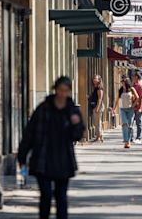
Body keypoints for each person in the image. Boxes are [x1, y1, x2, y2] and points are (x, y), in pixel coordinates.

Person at [18, 76, 84, 219]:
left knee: (61, 198)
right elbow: (30, 132)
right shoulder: (44, 108)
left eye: (66, 91)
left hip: (63, 160)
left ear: (69, 92)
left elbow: (78, 136)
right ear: (55, 90)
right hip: (43, 158)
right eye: (60, 90)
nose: (62, 94)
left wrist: (76, 124)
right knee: (46, 196)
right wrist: (22, 155)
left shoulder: (71, 110)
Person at [112, 77, 139, 148]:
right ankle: (126, 141)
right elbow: (117, 99)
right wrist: (114, 109)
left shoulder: (131, 89)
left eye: (123, 82)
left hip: (130, 109)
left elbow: (137, 97)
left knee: (129, 125)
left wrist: (133, 105)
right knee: (124, 124)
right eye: (122, 82)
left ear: (127, 82)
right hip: (122, 109)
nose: (122, 83)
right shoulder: (120, 90)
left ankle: (128, 141)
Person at [89, 74, 104, 142]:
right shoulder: (96, 87)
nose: (94, 79)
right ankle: (99, 136)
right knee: (97, 122)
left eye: (96, 78)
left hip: (98, 106)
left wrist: (97, 108)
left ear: (99, 80)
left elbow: (100, 98)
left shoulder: (99, 88)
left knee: (98, 122)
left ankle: (100, 136)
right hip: (96, 106)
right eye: (94, 78)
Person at [130, 72, 142, 144]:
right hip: (132, 106)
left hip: (138, 107)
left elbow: (141, 97)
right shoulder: (132, 85)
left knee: (138, 123)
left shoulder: (140, 86)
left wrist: (139, 107)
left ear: (137, 77)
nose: (133, 78)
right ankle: (131, 137)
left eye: (134, 77)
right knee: (131, 122)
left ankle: (138, 137)